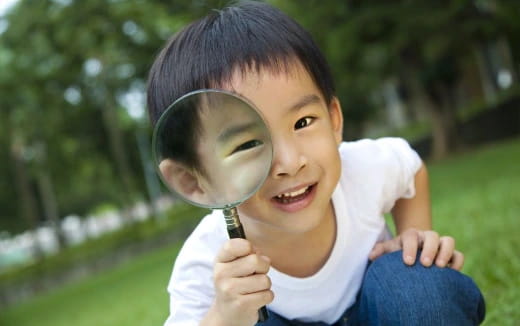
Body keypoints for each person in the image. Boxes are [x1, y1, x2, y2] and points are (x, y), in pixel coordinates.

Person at [146, 1, 486, 325]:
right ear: (193, 181)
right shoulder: (205, 261)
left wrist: (415, 233)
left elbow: (409, 168)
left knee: (416, 283)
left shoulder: (363, 170)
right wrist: (223, 317)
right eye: (248, 144)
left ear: (334, 119)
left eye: (303, 123)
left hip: (380, 312)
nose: (290, 163)